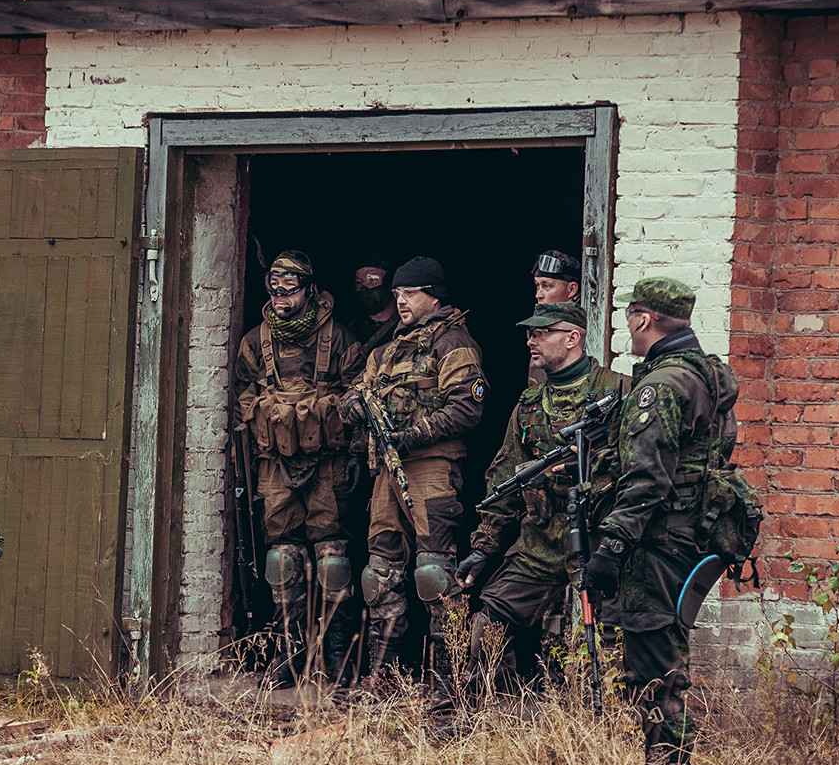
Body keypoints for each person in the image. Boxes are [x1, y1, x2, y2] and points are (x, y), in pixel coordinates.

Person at [583, 276, 738, 765]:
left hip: (658, 543)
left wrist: (612, 547)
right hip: (691, 535)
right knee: (664, 660)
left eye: (629, 317)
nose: (628, 327)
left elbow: (647, 479)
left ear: (645, 319)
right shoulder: (708, 374)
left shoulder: (661, 385)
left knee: (655, 672)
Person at [340, 256, 487, 705]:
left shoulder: (454, 342)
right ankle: (381, 681)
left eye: (409, 293)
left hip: (431, 470)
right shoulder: (386, 350)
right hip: (387, 471)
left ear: (434, 296)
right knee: (379, 575)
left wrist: (413, 435)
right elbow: (353, 393)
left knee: (434, 575)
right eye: (397, 293)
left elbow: (467, 408)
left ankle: (448, 685)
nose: (399, 300)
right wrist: (355, 407)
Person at [458, 302, 624, 691]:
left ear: (572, 338)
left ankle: (612, 713)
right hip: (543, 535)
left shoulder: (618, 391)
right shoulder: (529, 404)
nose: (531, 341)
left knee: (614, 636)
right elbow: (505, 475)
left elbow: (643, 465)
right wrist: (483, 546)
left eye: (541, 333)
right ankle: (497, 710)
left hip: (598, 532)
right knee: (491, 620)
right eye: (530, 334)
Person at [234, 251, 365, 688]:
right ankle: (290, 654)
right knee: (281, 558)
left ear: (309, 289)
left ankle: (338, 654)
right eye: (274, 289)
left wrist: (356, 453)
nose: (280, 297)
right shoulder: (256, 341)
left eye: (289, 289)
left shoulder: (340, 339)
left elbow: (360, 397)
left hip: (327, 463)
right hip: (275, 464)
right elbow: (239, 398)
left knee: (332, 560)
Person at [342, 253, 400, 355]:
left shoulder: (405, 327)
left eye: (372, 280)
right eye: (359, 283)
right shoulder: (348, 329)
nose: (364, 289)